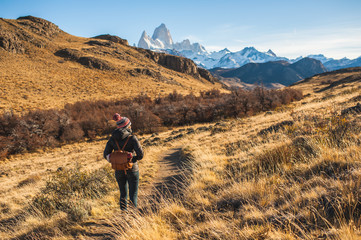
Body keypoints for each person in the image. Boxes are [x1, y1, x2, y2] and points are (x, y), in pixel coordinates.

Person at [104, 113, 144, 210]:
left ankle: (124, 216)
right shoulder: (132, 138)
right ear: (127, 126)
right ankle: (132, 217)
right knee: (133, 194)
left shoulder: (112, 139)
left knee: (123, 194)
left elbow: (106, 155)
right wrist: (131, 159)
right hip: (132, 169)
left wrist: (118, 159)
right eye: (130, 124)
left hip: (119, 169)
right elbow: (140, 155)